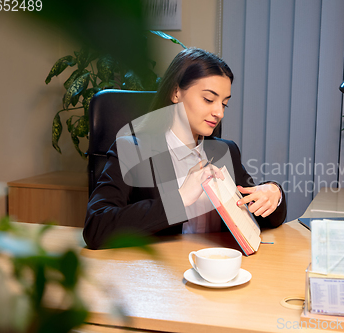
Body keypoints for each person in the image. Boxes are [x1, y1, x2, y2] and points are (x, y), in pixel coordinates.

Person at [84, 48, 287, 249]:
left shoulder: (226, 152)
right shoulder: (132, 150)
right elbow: (96, 227)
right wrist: (180, 199)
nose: (219, 112)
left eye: (224, 104)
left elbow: (258, 217)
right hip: (161, 274)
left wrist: (273, 192)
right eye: (209, 99)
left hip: (219, 273)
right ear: (175, 93)